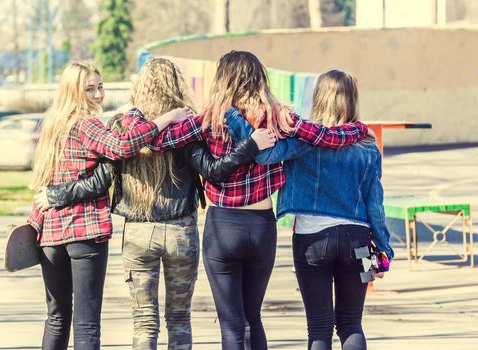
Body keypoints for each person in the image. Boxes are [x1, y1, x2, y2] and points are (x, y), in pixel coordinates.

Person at [121, 51, 371, 350]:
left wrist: (135, 114)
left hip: (223, 225)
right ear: (260, 78)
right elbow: (324, 136)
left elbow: (156, 141)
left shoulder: (208, 118)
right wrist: (358, 129)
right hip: (263, 226)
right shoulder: (278, 117)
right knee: (254, 317)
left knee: (232, 325)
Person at [32, 58, 276, 350]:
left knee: (144, 321)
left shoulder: (124, 126)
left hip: (138, 232)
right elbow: (211, 169)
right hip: (181, 231)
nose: (98, 94)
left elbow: (106, 173)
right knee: (179, 319)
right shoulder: (187, 126)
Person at [27, 60, 191, 350]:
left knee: (56, 317)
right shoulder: (86, 124)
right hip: (84, 232)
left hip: (50, 234)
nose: (98, 95)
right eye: (89, 89)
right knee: (87, 323)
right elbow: (122, 146)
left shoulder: (52, 126)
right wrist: (165, 119)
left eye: (100, 87)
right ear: (73, 91)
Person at [225, 69, 394, 350]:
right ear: (352, 101)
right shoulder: (368, 145)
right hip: (359, 243)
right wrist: (385, 250)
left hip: (312, 240)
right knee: (352, 322)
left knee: (319, 327)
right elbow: (375, 203)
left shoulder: (304, 141)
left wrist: (234, 118)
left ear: (318, 98)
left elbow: (263, 154)